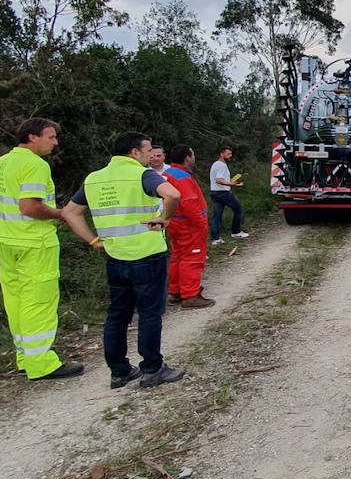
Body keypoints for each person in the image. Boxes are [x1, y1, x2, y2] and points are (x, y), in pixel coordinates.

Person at [61, 132, 185, 390]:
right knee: (150, 314)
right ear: (134, 152)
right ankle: (152, 369)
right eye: (148, 150)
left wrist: (93, 241)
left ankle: (119, 372)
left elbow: (70, 213)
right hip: (147, 255)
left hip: (114, 257)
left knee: (117, 315)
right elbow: (172, 195)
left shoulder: (94, 179)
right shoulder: (143, 175)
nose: (151, 155)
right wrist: (165, 217)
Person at [0, 118, 83, 381]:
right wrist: (60, 214)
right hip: (34, 243)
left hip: (5, 241)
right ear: (32, 137)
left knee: (17, 302)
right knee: (39, 301)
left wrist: (9, 211)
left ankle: (25, 356)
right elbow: (29, 207)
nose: (55, 142)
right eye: (51, 137)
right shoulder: (35, 165)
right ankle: (42, 363)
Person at [163, 143, 214, 309]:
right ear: (187, 158)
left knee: (178, 257)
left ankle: (175, 292)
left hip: (174, 222)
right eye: (192, 155)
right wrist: (201, 223)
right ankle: (190, 296)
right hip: (189, 224)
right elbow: (189, 202)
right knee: (192, 258)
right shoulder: (182, 177)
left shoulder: (168, 173)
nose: (194, 157)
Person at [208, 145, 249, 244]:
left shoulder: (215, 164)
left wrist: (230, 182)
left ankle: (216, 238)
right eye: (228, 154)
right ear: (221, 154)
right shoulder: (221, 165)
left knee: (217, 215)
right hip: (223, 193)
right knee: (238, 209)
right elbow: (219, 180)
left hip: (214, 192)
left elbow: (219, 179)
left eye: (231, 154)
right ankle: (236, 232)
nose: (230, 156)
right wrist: (233, 184)